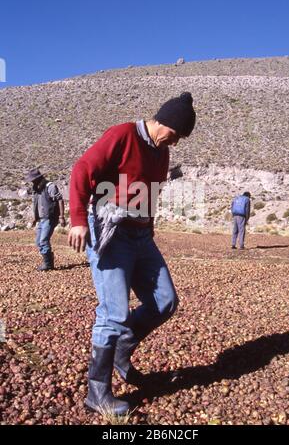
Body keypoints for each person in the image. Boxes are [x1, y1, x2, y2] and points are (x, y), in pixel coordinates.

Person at [68, 92, 196, 414]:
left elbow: (148, 194)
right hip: (112, 233)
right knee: (114, 313)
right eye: (177, 134)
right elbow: (83, 169)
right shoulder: (122, 135)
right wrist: (78, 220)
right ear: (164, 122)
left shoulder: (161, 153)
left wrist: (149, 228)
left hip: (141, 236)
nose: (176, 142)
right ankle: (97, 392)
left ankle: (124, 345)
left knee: (164, 301)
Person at [25, 168, 66, 270]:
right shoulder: (36, 188)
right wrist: (35, 218)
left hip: (49, 218)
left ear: (38, 178)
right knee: (38, 241)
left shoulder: (50, 186)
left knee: (43, 240)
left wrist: (61, 216)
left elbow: (59, 200)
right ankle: (48, 260)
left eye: (33, 179)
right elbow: (37, 204)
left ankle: (48, 264)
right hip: (41, 219)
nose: (32, 181)